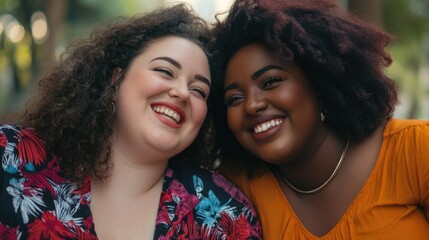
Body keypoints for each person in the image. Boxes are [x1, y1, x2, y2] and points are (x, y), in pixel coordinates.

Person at [0, 4, 262, 239]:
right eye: (165, 71)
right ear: (116, 79)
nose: (183, 92)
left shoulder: (226, 216)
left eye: (199, 91)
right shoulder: (10, 157)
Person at [210, 0, 429, 239]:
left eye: (271, 82)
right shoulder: (237, 184)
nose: (252, 105)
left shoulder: (416, 149)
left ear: (318, 82)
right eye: (234, 98)